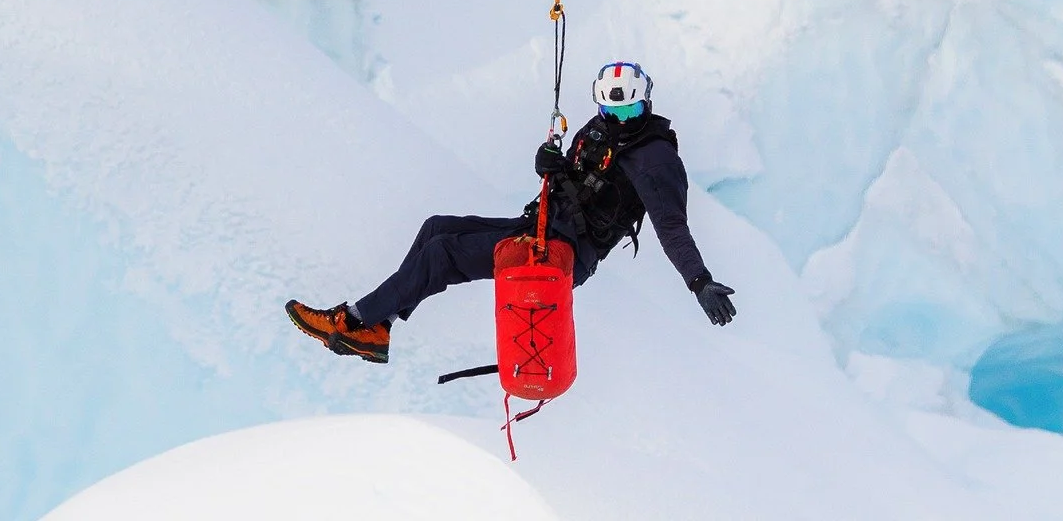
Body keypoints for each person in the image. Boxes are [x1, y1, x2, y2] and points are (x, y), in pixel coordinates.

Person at [285, 61, 736, 366]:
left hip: (560, 255)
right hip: (541, 227)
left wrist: (699, 282)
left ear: (647, 103)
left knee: (442, 257)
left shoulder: (654, 159)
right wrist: (549, 164)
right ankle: (379, 327)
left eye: (630, 109)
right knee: (436, 230)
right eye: (610, 109)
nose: (619, 119)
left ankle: (357, 320)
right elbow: (573, 173)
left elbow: (672, 226)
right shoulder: (600, 129)